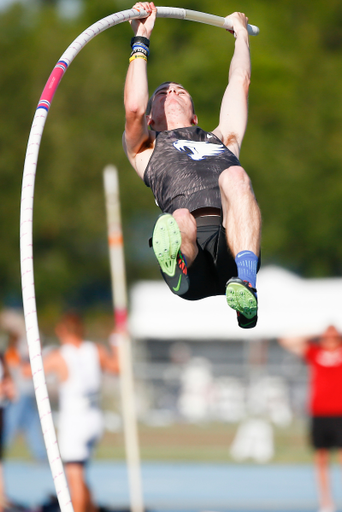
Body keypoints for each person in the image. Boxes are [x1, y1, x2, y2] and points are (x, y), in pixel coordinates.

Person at [123, 2, 262, 328]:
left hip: (233, 244)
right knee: (180, 219)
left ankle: (247, 290)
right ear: (151, 117)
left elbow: (239, 81)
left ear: (196, 116)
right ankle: (177, 267)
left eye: (180, 90)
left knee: (236, 176)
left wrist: (241, 34)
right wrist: (141, 37)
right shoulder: (147, 146)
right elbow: (132, 107)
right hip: (191, 256)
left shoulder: (221, 138)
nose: (171, 89)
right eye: (162, 91)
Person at [38, 312, 119, 512]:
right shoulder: (96, 349)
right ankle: (92, 508)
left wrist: (32, 350)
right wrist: (117, 343)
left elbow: (26, 371)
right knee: (78, 474)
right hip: (93, 418)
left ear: (62, 330)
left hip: (74, 420)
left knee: (74, 478)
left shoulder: (59, 355)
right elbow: (116, 367)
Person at [279, 325, 342, 512]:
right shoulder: (314, 352)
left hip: (339, 412)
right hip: (319, 412)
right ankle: (326, 502)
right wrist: (313, 333)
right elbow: (286, 340)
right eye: (327, 334)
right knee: (321, 459)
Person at [0, 309, 47, 462]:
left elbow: (17, 363)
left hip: (21, 390)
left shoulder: (21, 344)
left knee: (10, 422)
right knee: (31, 422)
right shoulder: (13, 348)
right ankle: (40, 453)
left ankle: (4, 448)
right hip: (23, 389)